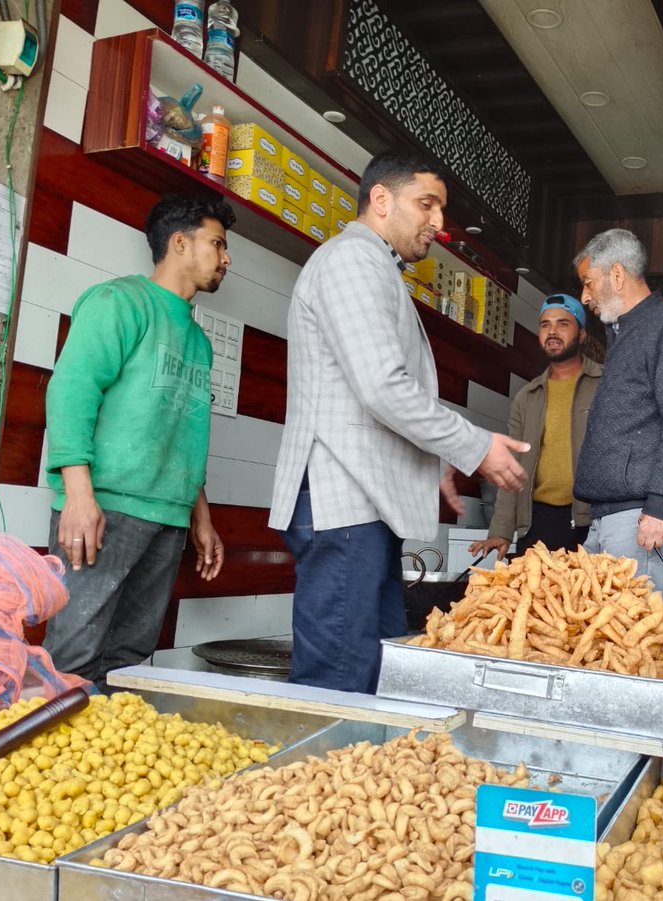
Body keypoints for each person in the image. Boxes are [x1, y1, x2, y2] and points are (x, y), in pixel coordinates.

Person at [269, 148, 529, 694]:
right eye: (426, 204)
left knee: (373, 666)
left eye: (442, 209)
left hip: (362, 502)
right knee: (341, 677)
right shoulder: (352, 261)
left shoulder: (377, 269)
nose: (438, 222)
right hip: (344, 502)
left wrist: (429, 462)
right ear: (381, 200)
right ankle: (321, 779)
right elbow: (382, 386)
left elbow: (363, 394)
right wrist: (473, 446)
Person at [43, 194, 230, 689]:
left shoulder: (199, 341)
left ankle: (107, 763)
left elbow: (185, 429)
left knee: (129, 659)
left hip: (167, 515)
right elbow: (70, 391)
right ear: (179, 242)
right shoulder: (120, 301)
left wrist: (200, 515)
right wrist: (79, 496)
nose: (225, 257)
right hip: (105, 507)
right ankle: (57, 763)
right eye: (217, 244)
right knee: (74, 655)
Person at [571, 228, 663, 595]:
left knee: (630, 638)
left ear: (617, 275)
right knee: (598, 635)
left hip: (639, 519)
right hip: (612, 516)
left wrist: (661, 507)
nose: (584, 297)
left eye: (588, 283)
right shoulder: (625, 332)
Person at [469, 294, 602, 561]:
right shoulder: (527, 397)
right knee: (535, 600)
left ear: (583, 335)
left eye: (563, 323)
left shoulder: (605, 384)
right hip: (538, 522)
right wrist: (502, 531)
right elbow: (511, 467)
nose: (552, 331)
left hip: (593, 521)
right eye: (545, 325)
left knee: (590, 601)